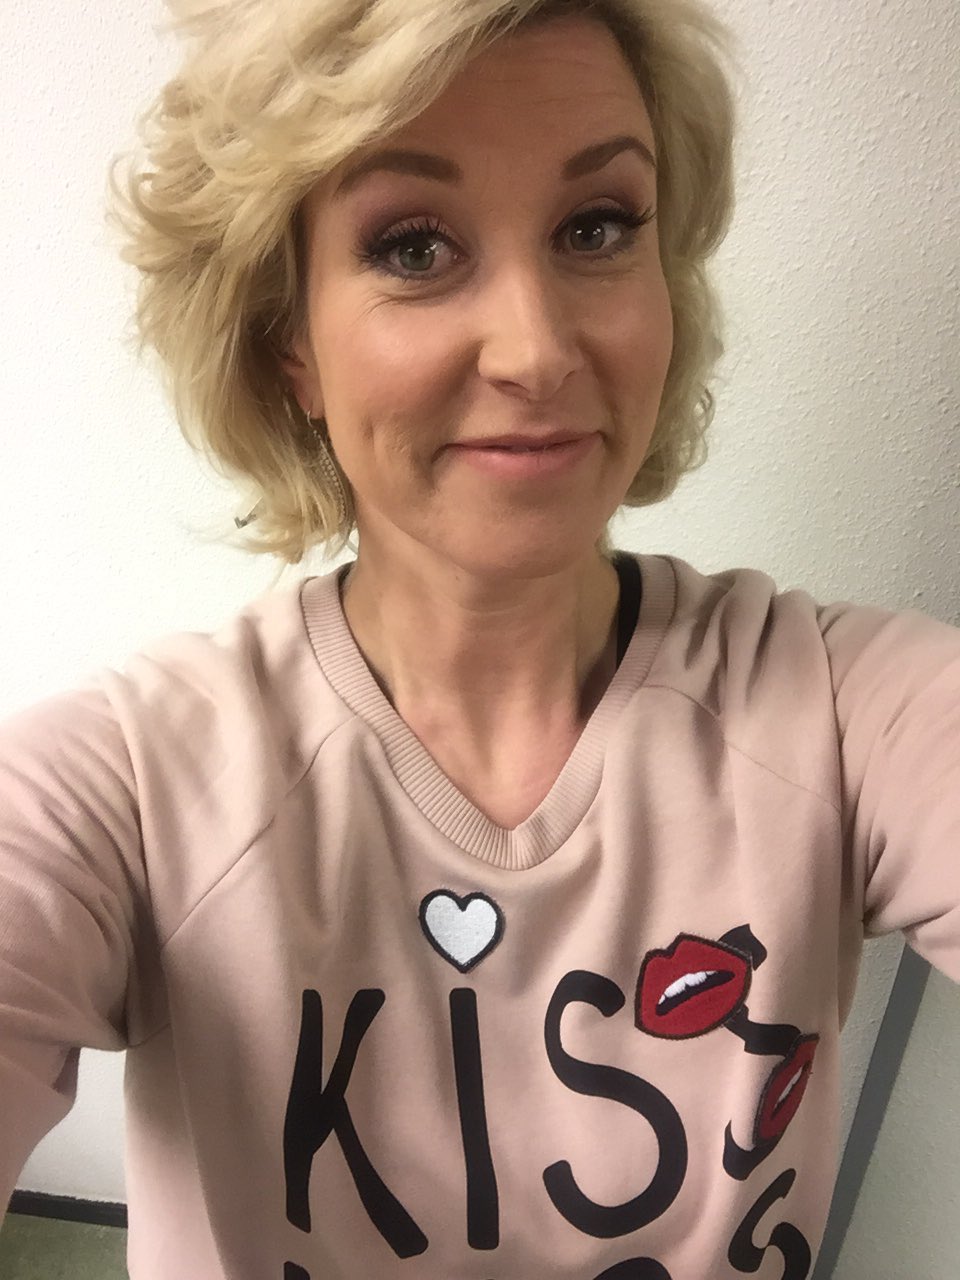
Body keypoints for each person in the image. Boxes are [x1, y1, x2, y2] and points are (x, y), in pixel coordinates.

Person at [0, 0, 957, 1276]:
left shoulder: (842, 713)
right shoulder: (134, 784)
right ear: (290, 341)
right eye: (414, 246)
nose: (538, 348)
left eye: (596, 227)